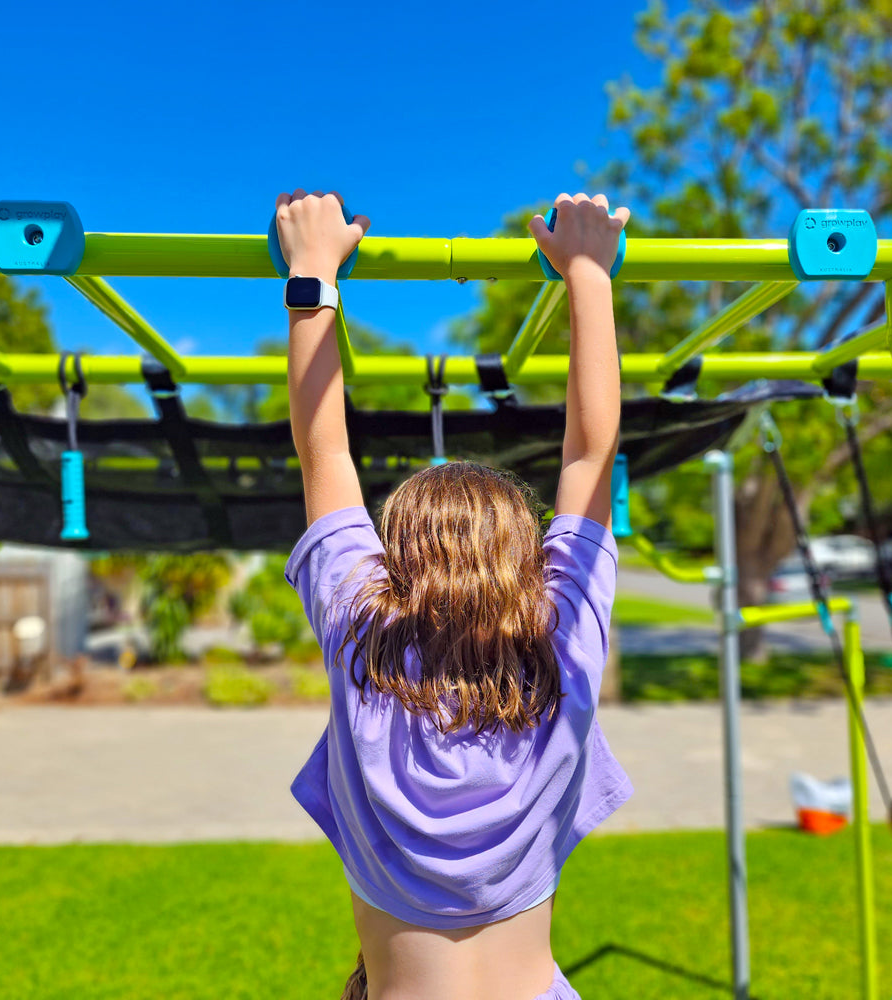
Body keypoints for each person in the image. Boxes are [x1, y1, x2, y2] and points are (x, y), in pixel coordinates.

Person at [277, 188, 633, 1000]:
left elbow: (323, 448)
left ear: (396, 560)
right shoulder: (561, 643)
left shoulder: (361, 636)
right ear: (527, 564)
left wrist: (312, 273)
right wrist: (588, 270)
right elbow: (589, 455)